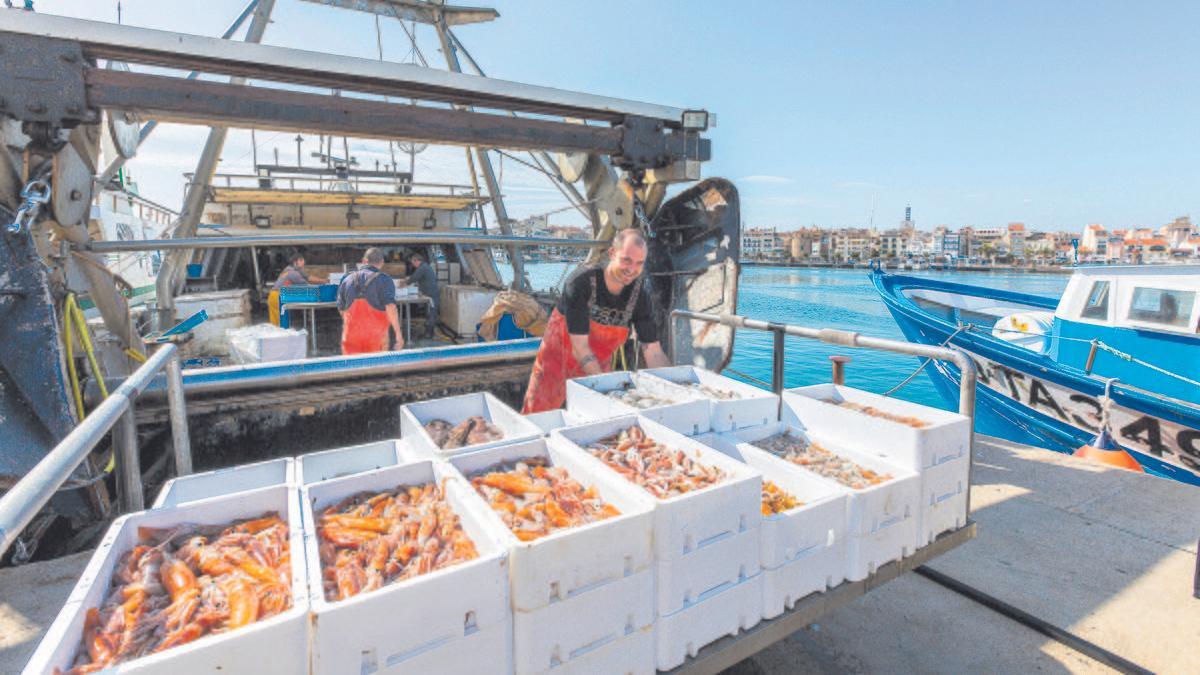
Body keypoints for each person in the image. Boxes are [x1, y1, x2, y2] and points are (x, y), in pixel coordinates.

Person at [522, 228, 671, 414]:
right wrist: (607, 390)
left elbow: (653, 351)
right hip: (555, 365)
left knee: (598, 423)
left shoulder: (639, 295)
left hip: (598, 366)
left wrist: (674, 389)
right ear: (611, 253)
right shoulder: (581, 282)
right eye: (626, 260)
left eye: (639, 263)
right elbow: (580, 347)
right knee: (537, 415)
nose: (632, 269)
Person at [337, 248, 403, 354]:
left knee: (353, 368)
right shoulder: (385, 280)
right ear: (382, 263)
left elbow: (341, 309)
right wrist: (398, 335)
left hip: (351, 337)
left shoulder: (346, 279)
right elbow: (391, 307)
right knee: (376, 368)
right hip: (377, 338)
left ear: (364, 261)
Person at [268, 250, 323, 326]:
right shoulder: (293, 273)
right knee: (279, 324)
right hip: (277, 297)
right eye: (301, 260)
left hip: (273, 296)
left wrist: (323, 280)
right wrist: (324, 286)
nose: (303, 262)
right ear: (295, 262)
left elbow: (307, 277)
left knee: (276, 324)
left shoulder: (289, 269)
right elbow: (306, 285)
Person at [405, 252, 439, 339]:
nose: (413, 265)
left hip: (431, 294)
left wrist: (404, 282)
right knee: (430, 313)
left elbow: (414, 277)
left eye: (413, 263)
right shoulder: (424, 266)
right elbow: (419, 279)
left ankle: (429, 334)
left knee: (432, 313)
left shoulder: (422, 267)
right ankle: (429, 332)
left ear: (417, 261)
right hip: (430, 293)